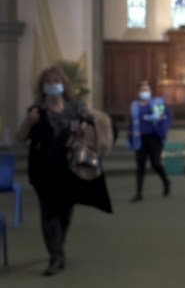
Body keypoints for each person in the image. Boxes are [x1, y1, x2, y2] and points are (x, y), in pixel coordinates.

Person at [15, 65, 113, 276]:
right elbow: (20, 137)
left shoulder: (74, 107)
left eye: (56, 81)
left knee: (66, 211)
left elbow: (92, 125)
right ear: (43, 86)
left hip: (70, 167)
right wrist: (29, 122)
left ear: (64, 84)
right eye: (48, 82)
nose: (53, 85)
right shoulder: (37, 110)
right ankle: (56, 257)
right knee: (49, 211)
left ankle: (57, 244)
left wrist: (85, 128)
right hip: (43, 169)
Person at [127, 81, 172, 202]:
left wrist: (159, 117)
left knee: (155, 163)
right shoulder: (134, 105)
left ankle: (166, 181)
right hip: (139, 138)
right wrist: (129, 137)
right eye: (142, 90)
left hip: (154, 138)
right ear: (138, 92)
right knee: (140, 166)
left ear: (151, 92)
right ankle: (138, 194)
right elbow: (131, 122)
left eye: (146, 90)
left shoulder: (157, 102)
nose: (144, 92)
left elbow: (166, 116)